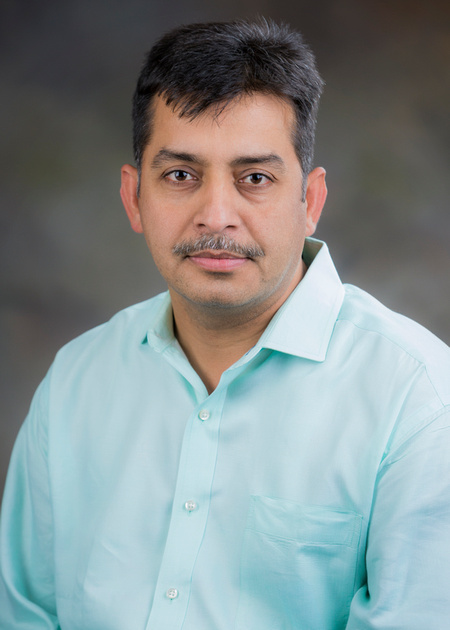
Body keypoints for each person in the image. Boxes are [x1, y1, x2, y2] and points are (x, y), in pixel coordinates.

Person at [0, 18, 449, 630]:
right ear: (134, 197)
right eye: (180, 175)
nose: (216, 215)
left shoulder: (419, 402)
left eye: (254, 178)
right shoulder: (75, 382)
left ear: (311, 201)